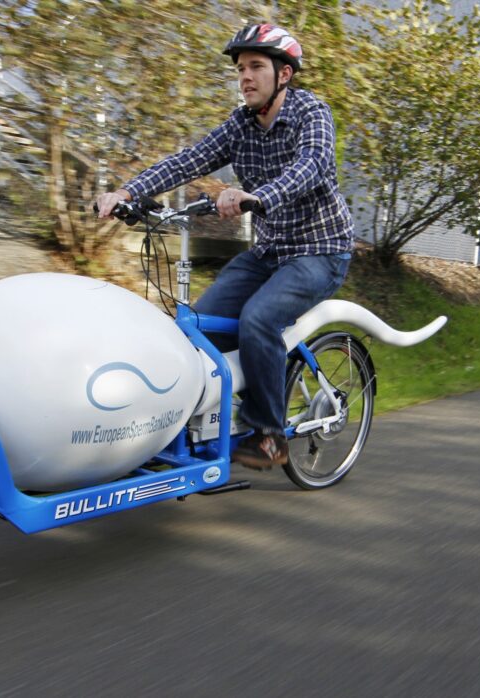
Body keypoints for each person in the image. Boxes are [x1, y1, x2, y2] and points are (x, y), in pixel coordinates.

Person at [94, 24, 354, 470]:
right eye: (240, 69)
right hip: (271, 251)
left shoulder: (313, 114)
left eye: (256, 67)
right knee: (198, 325)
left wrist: (258, 196)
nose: (245, 77)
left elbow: (310, 167)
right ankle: (189, 423)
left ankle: (269, 433)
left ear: (284, 74)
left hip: (320, 249)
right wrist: (127, 193)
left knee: (258, 318)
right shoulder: (240, 125)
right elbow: (187, 160)